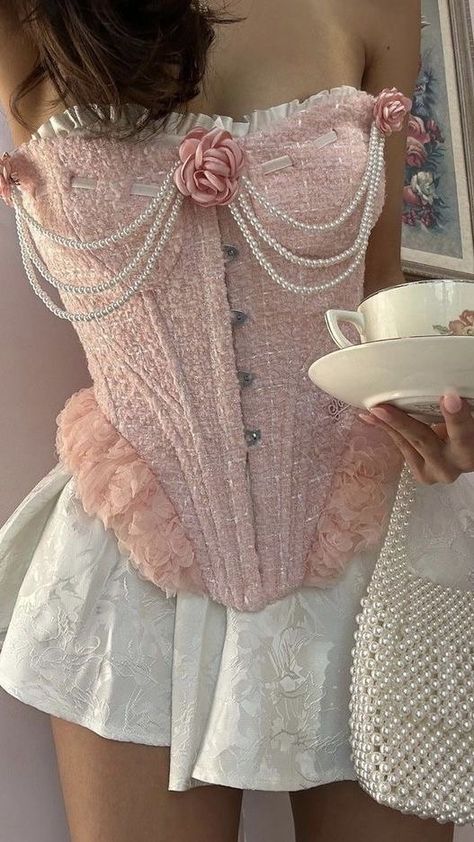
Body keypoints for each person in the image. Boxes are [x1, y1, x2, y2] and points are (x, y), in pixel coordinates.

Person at [0, 1, 472, 840]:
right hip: (133, 566)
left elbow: (378, 286)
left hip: (365, 544)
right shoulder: (29, 17)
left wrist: (443, 403)